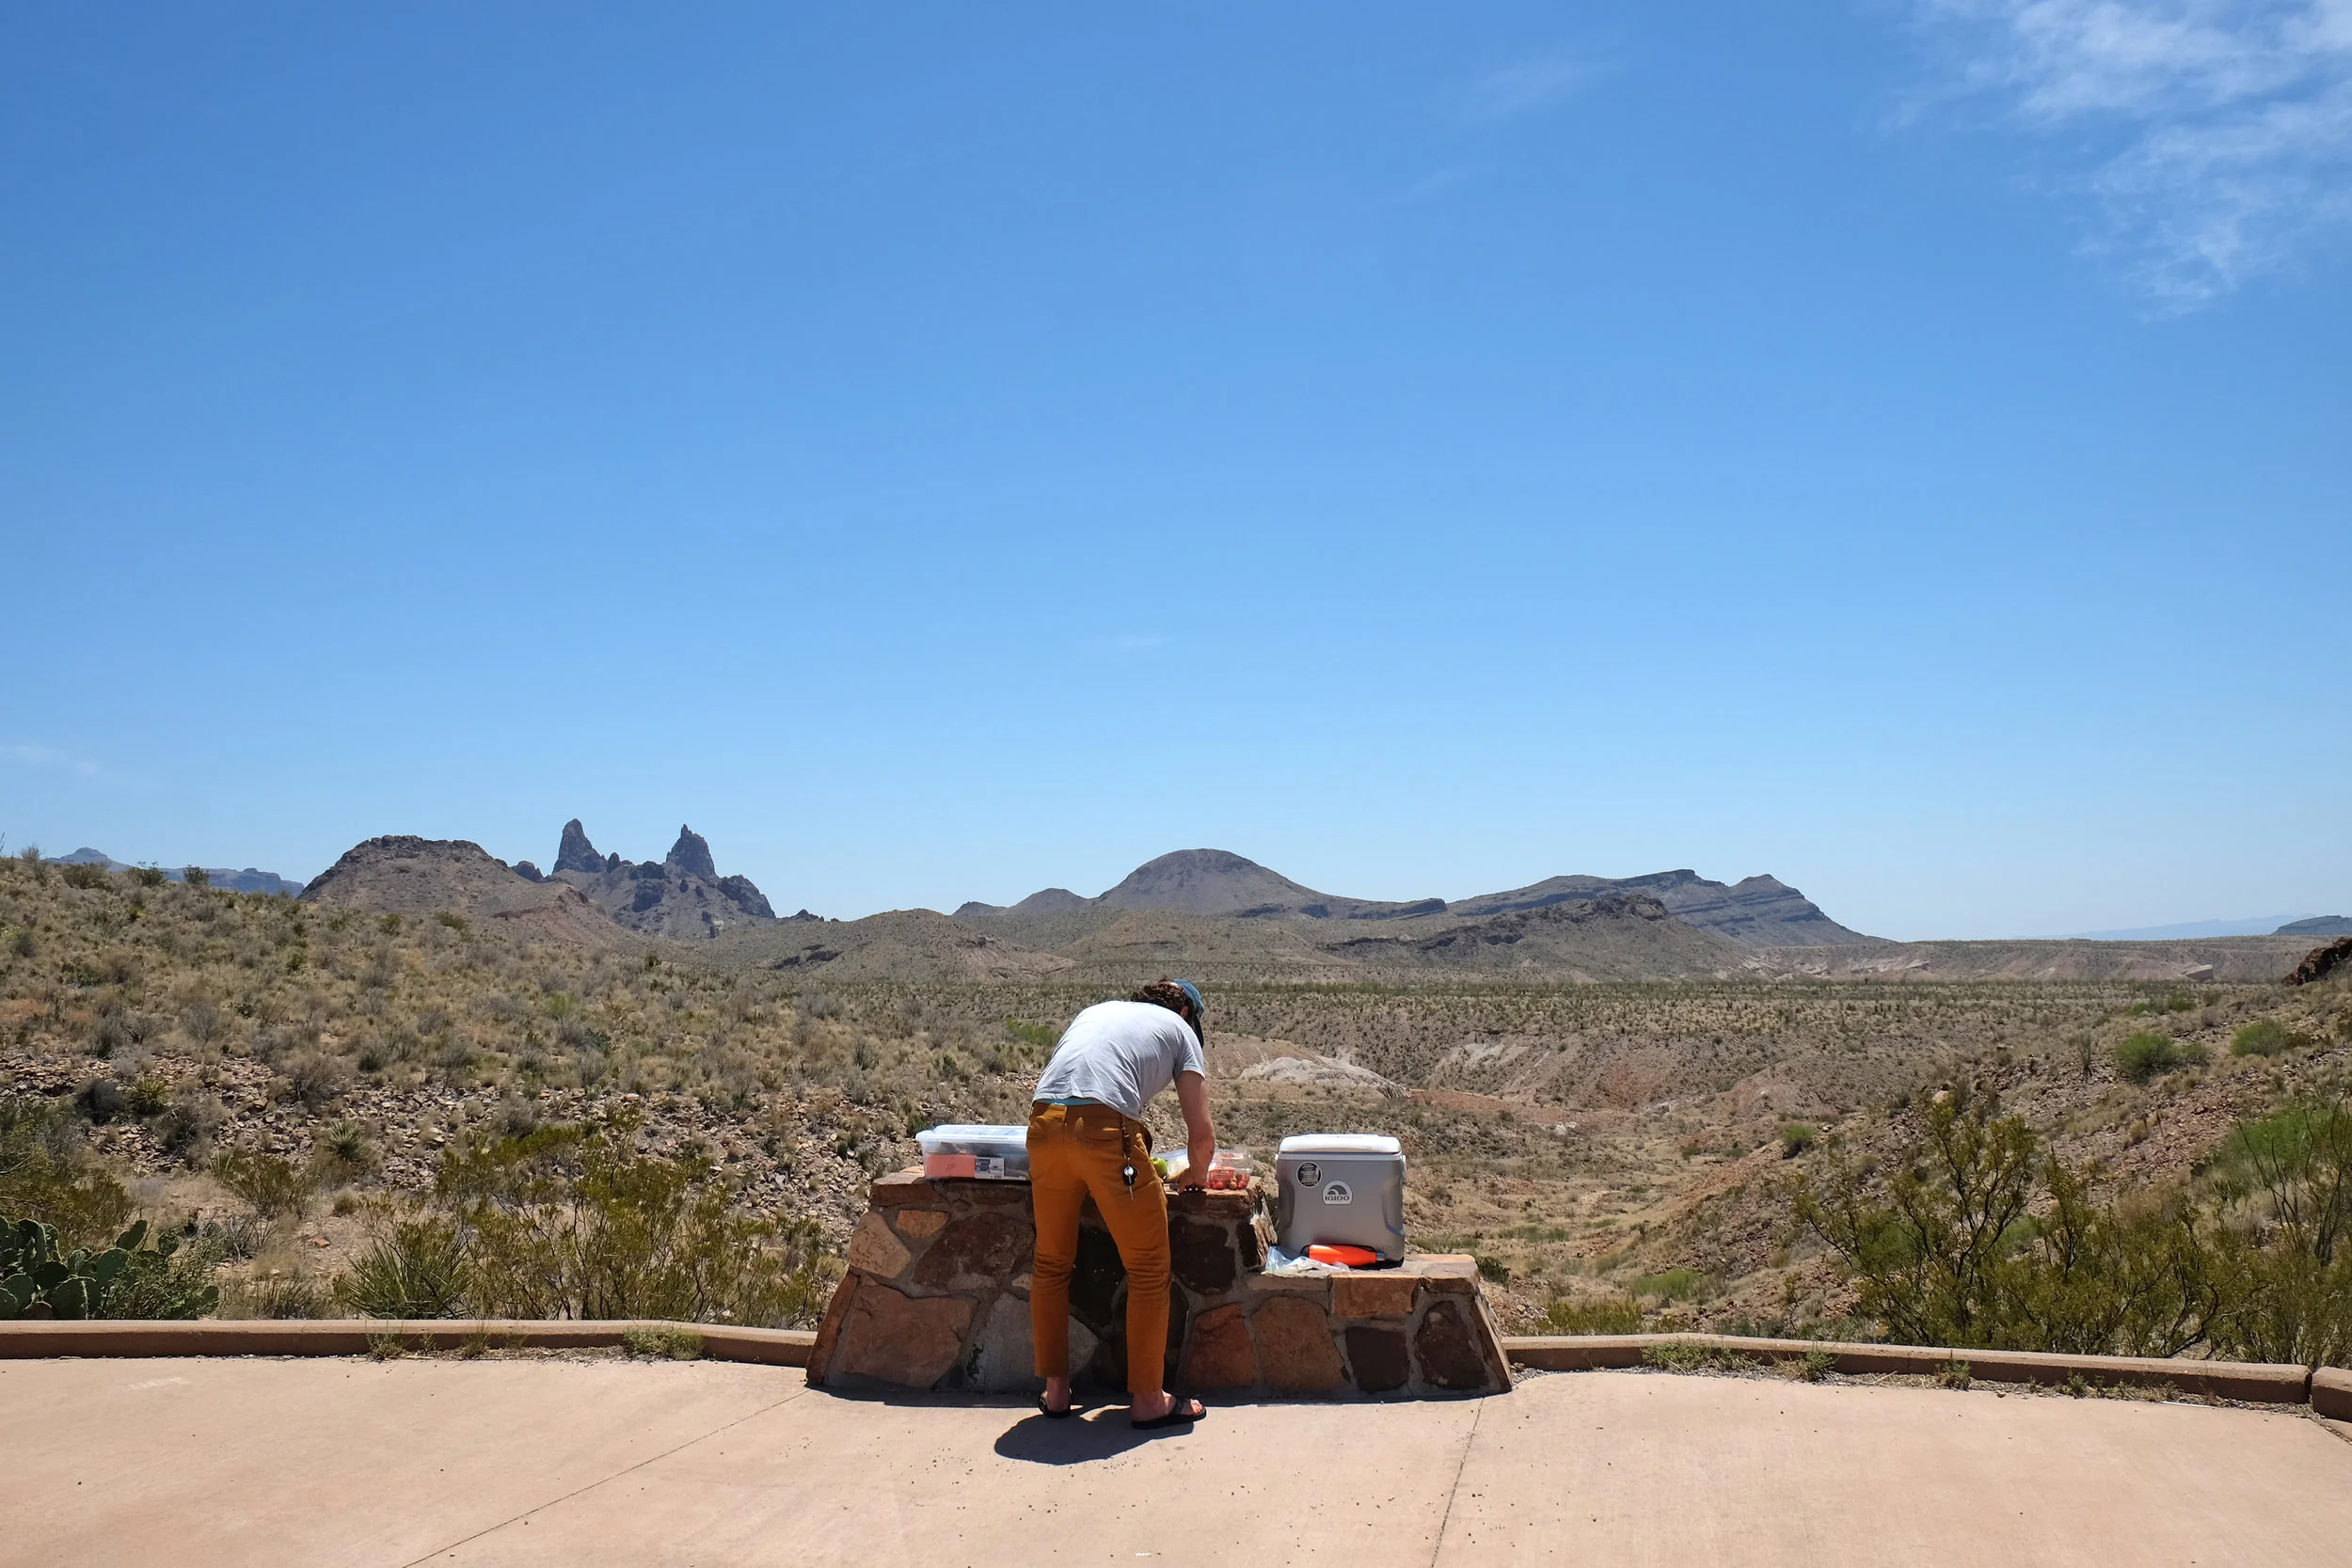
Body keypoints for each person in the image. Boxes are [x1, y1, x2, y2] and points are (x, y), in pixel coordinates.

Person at [1026, 976, 1216, 1429]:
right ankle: (1149, 1399)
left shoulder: (1097, 1011)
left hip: (1043, 1126)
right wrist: (1196, 1175)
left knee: (1051, 1264)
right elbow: (1203, 1138)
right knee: (1149, 1269)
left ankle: (1056, 1392)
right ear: (1187, 1013)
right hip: (1105, 1131)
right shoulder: (1181, 1031)